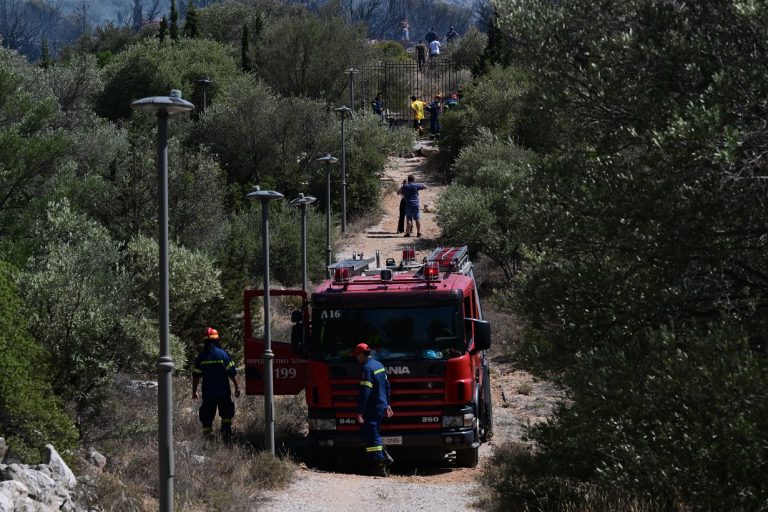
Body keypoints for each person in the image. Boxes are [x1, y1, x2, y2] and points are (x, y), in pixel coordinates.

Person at [192, 327, 240, 441]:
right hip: (223, 392)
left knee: (207, 416)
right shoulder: (223, 355)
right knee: (226, 413)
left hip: (208, 393)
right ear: (216, 340)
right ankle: (226, 435)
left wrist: (194, 391)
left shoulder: (201, 357)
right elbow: (232, 373)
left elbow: (196, 376)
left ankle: (207, 439)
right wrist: (237, 387)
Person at [353, 342, 393, 477]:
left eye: (356, 355)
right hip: (381, 406)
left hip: (372, 407)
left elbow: (365, 392)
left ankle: (379, 467)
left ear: (361, 354)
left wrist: (360, 411)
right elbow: (387, 386)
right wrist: (387, 404)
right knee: (373, 433)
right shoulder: (379, 365)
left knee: (372, 436)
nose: (356, 358)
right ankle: (385, 456)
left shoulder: (367, 369)